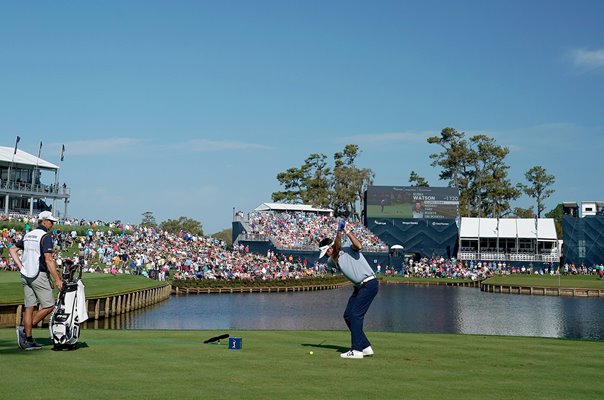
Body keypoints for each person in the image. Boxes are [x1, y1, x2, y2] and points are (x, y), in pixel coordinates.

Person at [318, 219, 379, 359]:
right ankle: (365, 346)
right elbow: (336, 248)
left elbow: (359, 245)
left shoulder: (348, 248)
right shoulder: (331, 260)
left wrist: (345, 231)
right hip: (359, 287)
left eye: (327, 251)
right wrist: (338, 233)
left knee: (355, 315)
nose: (327, 254)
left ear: (330, 248)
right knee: (348, 315)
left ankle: (356, 350)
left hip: (369, 284)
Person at [8, 211, 63, 350]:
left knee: (29, 307)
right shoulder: (45, 236)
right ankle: (25, 332)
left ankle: (28, 339)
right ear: (44, 221)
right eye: (51, 221)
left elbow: (12, 250)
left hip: (26, 274)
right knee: (49, 305)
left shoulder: (28, 235)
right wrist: (57, 280)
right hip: (38, 274)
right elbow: (49, 260)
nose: (52, 223)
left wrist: (20, 266)